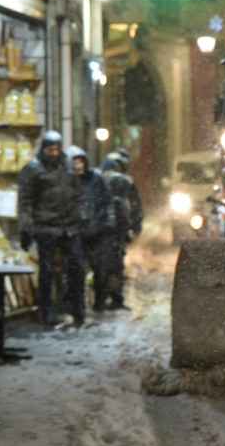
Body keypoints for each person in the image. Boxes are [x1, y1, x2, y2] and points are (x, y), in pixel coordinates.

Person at [17, 131, 87, 328]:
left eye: (57, 149)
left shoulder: (68, 165)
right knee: (46, 271)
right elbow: (25, 201)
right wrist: (25, 229)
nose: (54, 153)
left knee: (76, 268)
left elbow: (78, 194)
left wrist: (82, 216)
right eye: (51, 150)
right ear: (44, 149)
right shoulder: (33, 169)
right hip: (46, 227)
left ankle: (76, 309)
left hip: (70, 226)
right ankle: (47, 310)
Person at [67, 146, 115, 312]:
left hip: (98, 229)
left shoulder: (96, 178)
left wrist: (109, 219)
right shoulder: (68, 181)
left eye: (81, 162)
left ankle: (100, 301)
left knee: (100, 268)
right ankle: (78, 305)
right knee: (77, 269)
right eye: (75, 163)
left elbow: (107, 200)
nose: (79, 166)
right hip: (78, 231)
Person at [102, 154, 144, 310]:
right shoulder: (125, 182)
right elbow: (135, 205)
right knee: (115, 263)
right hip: (116, 230)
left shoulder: (102, 181)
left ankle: (105, 298)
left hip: (105, 230)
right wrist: (134, 226)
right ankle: (114, 297)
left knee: (106, 264)